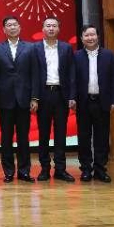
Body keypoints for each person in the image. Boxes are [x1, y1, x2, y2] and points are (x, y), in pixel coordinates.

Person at [0, 16, 38, 183]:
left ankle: (24, 171)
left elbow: (35, 74)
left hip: (24, 99)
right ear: (4, 29)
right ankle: (9, 172)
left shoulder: (30, 47)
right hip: (5, 100)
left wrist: (34, 97)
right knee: (6, 138)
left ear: (20, 27)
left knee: (23, 137)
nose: (12, 27)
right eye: (8, 25)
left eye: (14, 25)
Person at [33, 16, 77, 182]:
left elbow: (72, 73)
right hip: (43, 94)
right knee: (43, 133)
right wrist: (34, 97)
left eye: (54, 26)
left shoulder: (66, 48)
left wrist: (72, 96)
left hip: (61, 95)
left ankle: (60, 169)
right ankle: (44, 168)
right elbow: (32, 75)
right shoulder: (35, 48)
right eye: (48, 26)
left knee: (60, 133)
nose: (51, 28)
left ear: (59, 28)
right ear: (43, 29)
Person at [75, 24, 114, 183]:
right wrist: (72, 98)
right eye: (86, 35)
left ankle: (100, 169)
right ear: (82, 38)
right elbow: (72, 79)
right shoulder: (76, 56)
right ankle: (86, 169)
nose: (90, 38)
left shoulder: (109, 55)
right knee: (84, 137)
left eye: (93, 35)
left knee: (102, 137)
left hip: (102, 101)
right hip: (83, 102)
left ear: (98, 36)